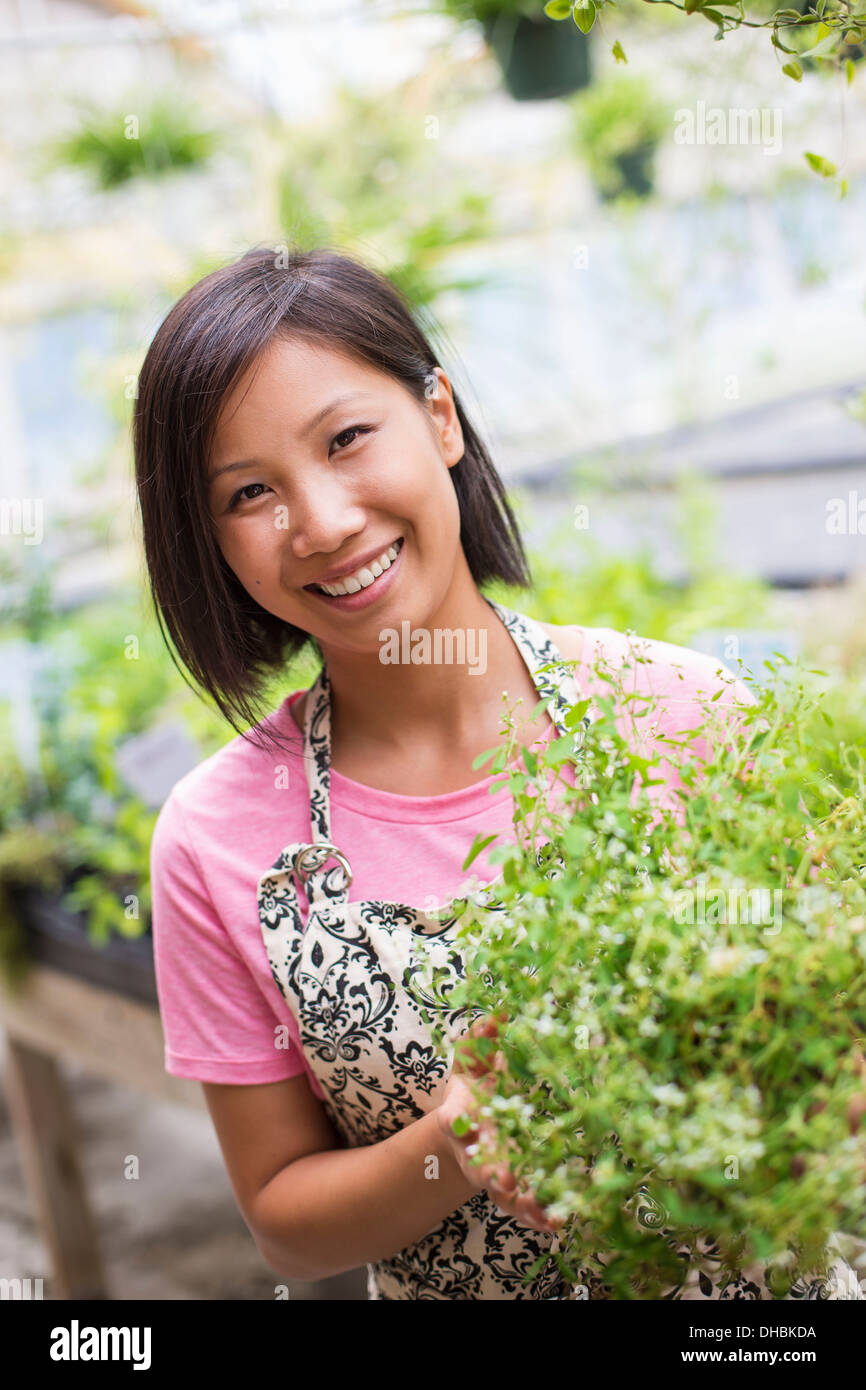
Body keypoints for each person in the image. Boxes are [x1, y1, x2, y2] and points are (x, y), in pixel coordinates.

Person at [136, 245, 854, 1300]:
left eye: (346, 439)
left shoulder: (682, 711)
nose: (324, 522)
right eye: (251, 492)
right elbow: (286, 1224)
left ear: (439, 417)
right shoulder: (215, 835)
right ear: (212, 541)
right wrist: (463, 1138)